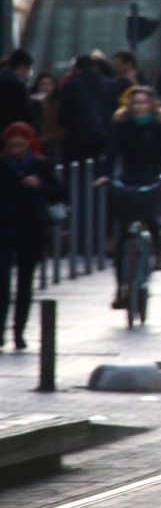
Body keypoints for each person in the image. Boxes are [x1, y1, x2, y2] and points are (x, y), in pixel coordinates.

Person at [97, 87, 161, 305]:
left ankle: (159, 250)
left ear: (151, 105)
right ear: (130, 105)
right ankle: (121, 288)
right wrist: (105, 175)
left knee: (152, 218)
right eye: (136, 103)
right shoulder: (122, 124)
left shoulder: (160, 124)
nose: (140, 107)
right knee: (123, 233)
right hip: (129, 176)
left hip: (153, 176)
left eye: (144, 103)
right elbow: (112, 151)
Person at [0, 122, 63, 351]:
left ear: (29, 143)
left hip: (31, 228)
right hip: (5, 227)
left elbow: (59, 193)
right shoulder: (2, 165)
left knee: (25, 283)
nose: (16, 149)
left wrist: (40, 185)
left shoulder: (40, 165)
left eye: (20, 144)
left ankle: (19, 332)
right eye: (12, 144)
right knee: (2, 282)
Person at [58, 54, 118, 166]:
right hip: (103, 136)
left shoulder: (70, 86)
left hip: (76, 137)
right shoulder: (110, 84)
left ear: (77, 68)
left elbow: (63, 116)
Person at [0, 49, 35, 130]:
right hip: (11, 129)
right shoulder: (16, 83)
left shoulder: (2, 76)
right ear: (23, 67)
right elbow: (24, 112)